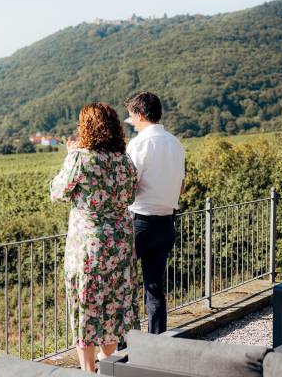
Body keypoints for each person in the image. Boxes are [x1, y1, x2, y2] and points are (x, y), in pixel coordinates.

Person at [50, 102, 139, 373]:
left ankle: (89, 372)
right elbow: (132, 196)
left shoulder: (80, 158)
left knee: (86, 307)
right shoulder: (124, 160)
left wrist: (70, 153)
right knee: (113, 304)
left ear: (85, 127)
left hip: (89, 246)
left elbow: (57, 192)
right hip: (121, 244)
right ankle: (107, 364)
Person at [124, 92, 185, 334]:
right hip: (166, 224)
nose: (132, 123)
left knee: (124, 285)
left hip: (140, 222)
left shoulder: (139, 143)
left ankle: (124, 346)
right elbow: (181, 185)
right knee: (155, 289)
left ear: (139, 115)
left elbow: (129, 183)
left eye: (131, 117)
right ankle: (156, 344)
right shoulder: (175, 143)